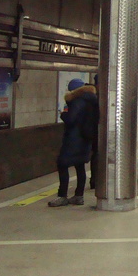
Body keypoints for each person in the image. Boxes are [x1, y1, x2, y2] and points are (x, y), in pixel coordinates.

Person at [48, 78, 99, 207]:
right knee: (80, 166)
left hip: (74, 139)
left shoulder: (77, 101)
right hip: (86, 138)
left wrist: (63, 115)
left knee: (62, 164)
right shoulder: (92, 99)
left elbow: (71, 120)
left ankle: (62, 196)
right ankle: (78, 196)